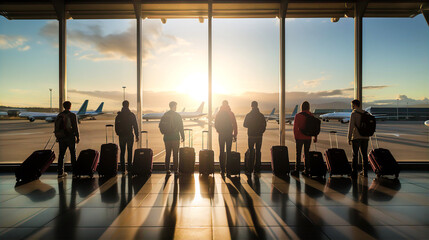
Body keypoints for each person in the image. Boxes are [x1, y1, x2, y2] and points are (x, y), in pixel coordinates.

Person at [55, 101, 79, 178]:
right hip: (70, 137)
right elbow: (75, 127)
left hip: (62, 138)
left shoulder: (59, 115)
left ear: (63, 106)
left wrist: (57, 137)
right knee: (73, 155)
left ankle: (60, 172)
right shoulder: (72, 115)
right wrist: (77, 136)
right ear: (70, 106)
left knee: (61, 155)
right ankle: (75, 173)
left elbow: (56, 127)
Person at [159, 101, 184, 174]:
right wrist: (182, 136)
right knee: (175, 154)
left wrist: (164, 133)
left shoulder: (165, 115)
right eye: (176, 106)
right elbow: (181, 127)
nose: (176, 107)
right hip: (175, 137)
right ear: (173, 106)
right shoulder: (177, 115)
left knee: (168, 153)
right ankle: (176, 170)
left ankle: (167, 169)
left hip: (167, 137)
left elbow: (160, 125)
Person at [293, 101, 317, 175]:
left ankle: (297, 170)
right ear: (308, 107)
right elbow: (314, 127)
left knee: (298, 153)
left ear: (301, 107)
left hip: (299, 137)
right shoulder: (311, 116)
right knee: (306, 154)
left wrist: (296, 136)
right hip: (308, 137)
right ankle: (307, 169)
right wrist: (315, 137)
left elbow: (295, 127)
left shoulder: (298, 115)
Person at [115, 100, 139, 174]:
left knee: (122, 152)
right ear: (128, 105)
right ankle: (129, 168)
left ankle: (122, 169)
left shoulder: (119, 115)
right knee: (129, 151)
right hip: (129, 135)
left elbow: (116, 126)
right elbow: (135, 126)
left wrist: (118, 133)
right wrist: (136, 135)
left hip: (122, 136)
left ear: (122, 105)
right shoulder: (131, 115)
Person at [215, 100, 238, 175]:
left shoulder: (219, 114)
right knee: (228, 152)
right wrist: (235, 134)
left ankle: (222, 169)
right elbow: (234, 124)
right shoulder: (230, 113)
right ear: (228, 105)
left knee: (221, 151)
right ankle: (228, 169)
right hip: (229, 134)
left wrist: (219, 131)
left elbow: (216, 124)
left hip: (221, 134)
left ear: (222, 105)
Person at [348, 99, 369, 178]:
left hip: (356, 137)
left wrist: (349, 137)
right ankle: (365, 171)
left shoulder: (354, 113)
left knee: (355, 155)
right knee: (364, 155)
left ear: (354, 105)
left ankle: (354, 172)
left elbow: (351, 127)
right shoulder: (366, 113)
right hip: (365, 137)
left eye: (352, 105)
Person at [243, 101, 266, 174]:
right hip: (259, 136)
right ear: (257, 106)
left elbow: (245, 124)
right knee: (258, 151)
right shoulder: (261, 115)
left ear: (251, 106)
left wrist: (251, 126)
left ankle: (250, 169)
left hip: (251, 135)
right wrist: (261, 131)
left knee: (251, 151)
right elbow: (264, 125)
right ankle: (257, 168)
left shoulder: (249, 115)